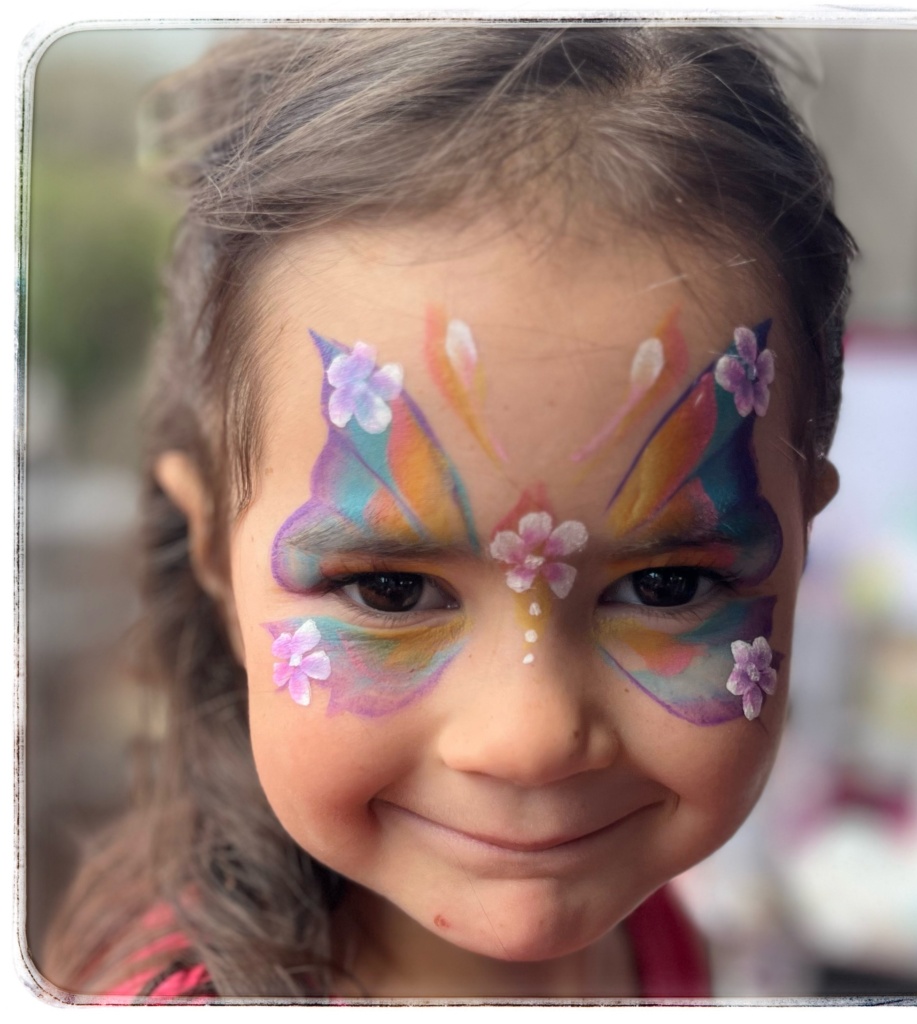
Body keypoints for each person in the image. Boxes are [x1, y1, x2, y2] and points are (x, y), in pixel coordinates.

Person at [40, 25, 855, 1001]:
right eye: (389, 588)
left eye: (666, 583)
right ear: (216, 555)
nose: (529, 738)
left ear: (800, 545)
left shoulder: (651, 933)